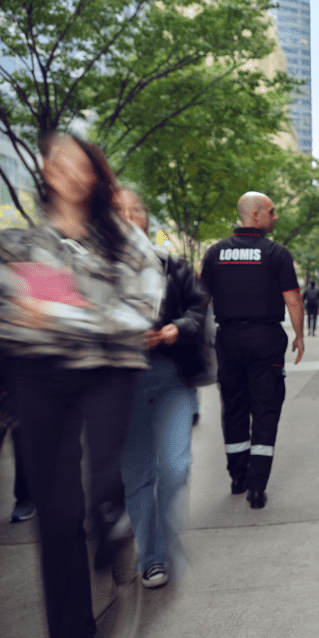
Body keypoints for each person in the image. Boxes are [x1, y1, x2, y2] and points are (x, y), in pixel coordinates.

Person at [0, 132, 163, 638]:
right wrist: (69, 314)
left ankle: (111, 525)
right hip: (40, 375)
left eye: (84, 164)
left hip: (108, 369)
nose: (73, 172)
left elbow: (142, 306)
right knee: (56, 516)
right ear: (45, 169)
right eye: (62, 162)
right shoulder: (28, 245)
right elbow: (0, 306)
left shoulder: (125, 240)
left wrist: (66, 314)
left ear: (98, 176)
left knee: (103, 488)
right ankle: (71, 636)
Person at [114, 190, 208, 589]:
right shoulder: (96, 270)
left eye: (137, 208)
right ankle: (152, 558)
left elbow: (198, 310)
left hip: (172, 376)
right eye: (119, 210)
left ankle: (164, 540)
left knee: (175, 466)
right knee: (137, 474)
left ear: (147, 219)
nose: (130, 215)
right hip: (122, 381)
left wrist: (176, 329)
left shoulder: (173, 265)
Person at [199, 192, 304, 509]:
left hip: (227, 340)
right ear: (255, 214)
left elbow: (200, 300)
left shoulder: (214, 253)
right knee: (265, 408)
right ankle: (257, 487)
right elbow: (293, 298)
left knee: (233, 408)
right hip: (265, 340)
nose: (276, 217)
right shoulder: (276, 253)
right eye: (271, 212)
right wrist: (299, 334)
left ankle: (237, 477)